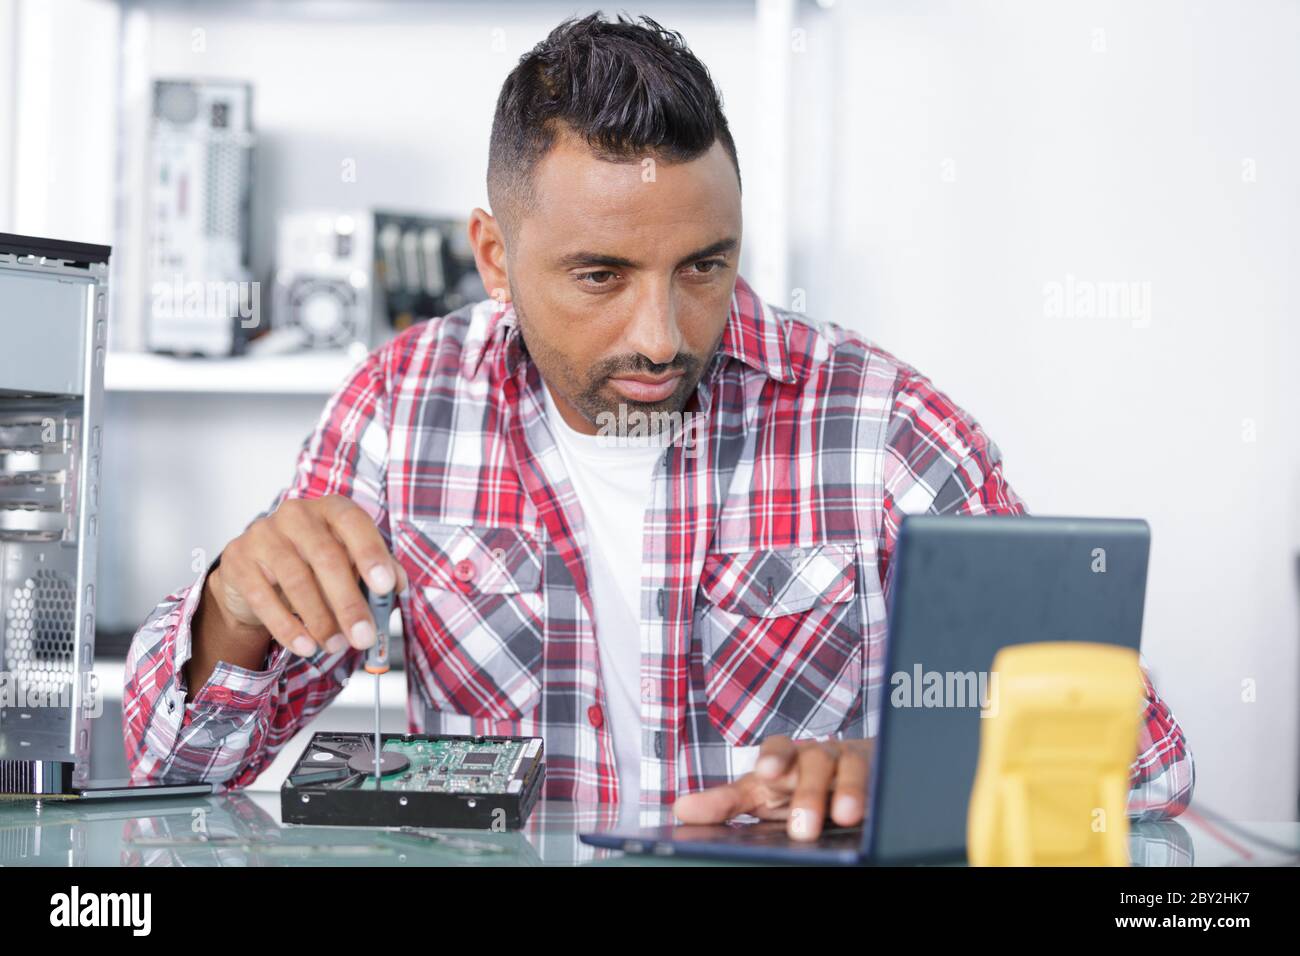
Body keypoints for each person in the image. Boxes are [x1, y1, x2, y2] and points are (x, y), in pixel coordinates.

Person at [123, 13, 1193, 839]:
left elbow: (1144, 768)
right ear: (494, 256)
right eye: (600, 274)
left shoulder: (882, 425)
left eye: (703, 266)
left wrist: (925, 773)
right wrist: (231, 603)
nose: (662, 333)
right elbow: (171, 772)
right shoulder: (401, 407)